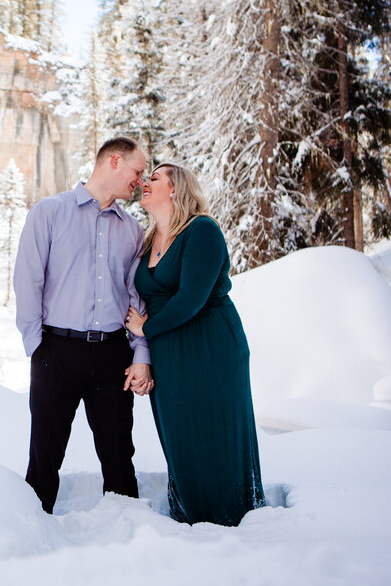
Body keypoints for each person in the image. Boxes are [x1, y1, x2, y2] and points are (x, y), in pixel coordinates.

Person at [14, 137, 154, 514]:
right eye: (138, 171)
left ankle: (130, 545)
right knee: (44, 456)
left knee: (119, 458)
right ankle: (29, 542)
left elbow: (135, 299)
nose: (140, 181)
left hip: (112, 356)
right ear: (114, 161)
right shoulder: (49, 212)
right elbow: (28, 281)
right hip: (55, 352)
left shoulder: (132, 231)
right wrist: (37, 347)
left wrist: (140, 353)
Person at [125, 162, 265, 526]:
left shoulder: (201, 231)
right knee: (180, 433)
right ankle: (189, 516)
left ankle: (232, 519)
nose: (145, 182)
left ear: (175, 189)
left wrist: (147, 328)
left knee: (214, 432)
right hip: (169, 351)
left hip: (210, 347)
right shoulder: (149, 237)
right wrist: (144, 346)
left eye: (154, 177)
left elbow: (191, 299)